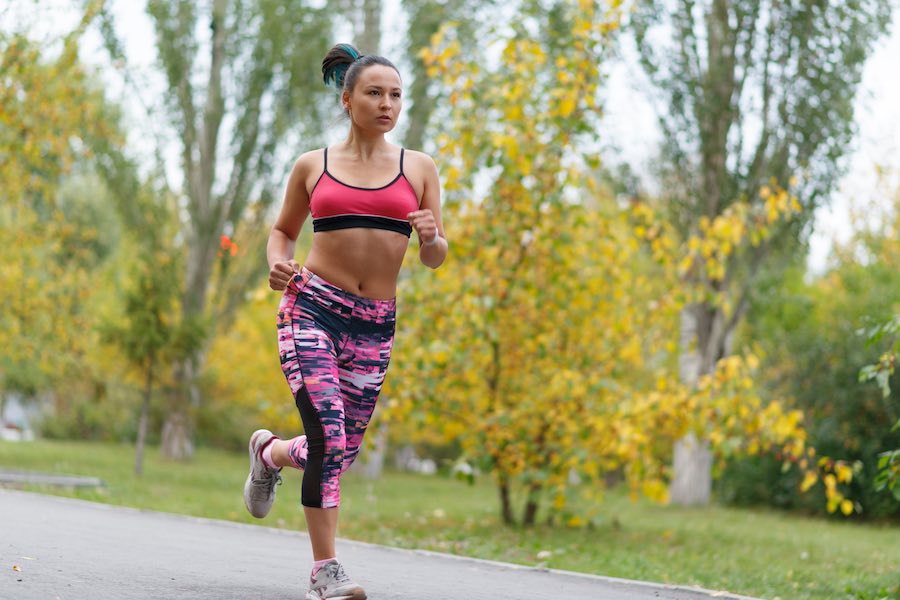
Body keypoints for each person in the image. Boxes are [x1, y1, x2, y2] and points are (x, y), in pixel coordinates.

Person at [242, 42, 447, 600]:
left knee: (340, 451)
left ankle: (270, 453)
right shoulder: (314, 165)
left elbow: (434, 256)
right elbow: (282, 231)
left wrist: (432, 238)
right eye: (375, 93)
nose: (387, 104)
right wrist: (277, 263)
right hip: (312, 308)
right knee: (329, 436)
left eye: (396, 95)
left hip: (374, 323)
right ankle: (325, 571)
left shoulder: (419, 168)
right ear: (347, 98)